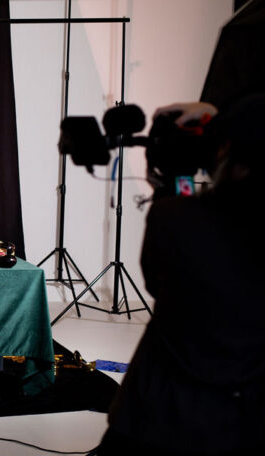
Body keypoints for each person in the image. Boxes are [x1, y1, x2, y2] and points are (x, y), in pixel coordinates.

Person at [97, 94, 265, 455]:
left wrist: (168, 181)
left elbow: (156, 282)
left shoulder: (174, 217)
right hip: (242, 422)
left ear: (227, 153)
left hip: (158, 415)